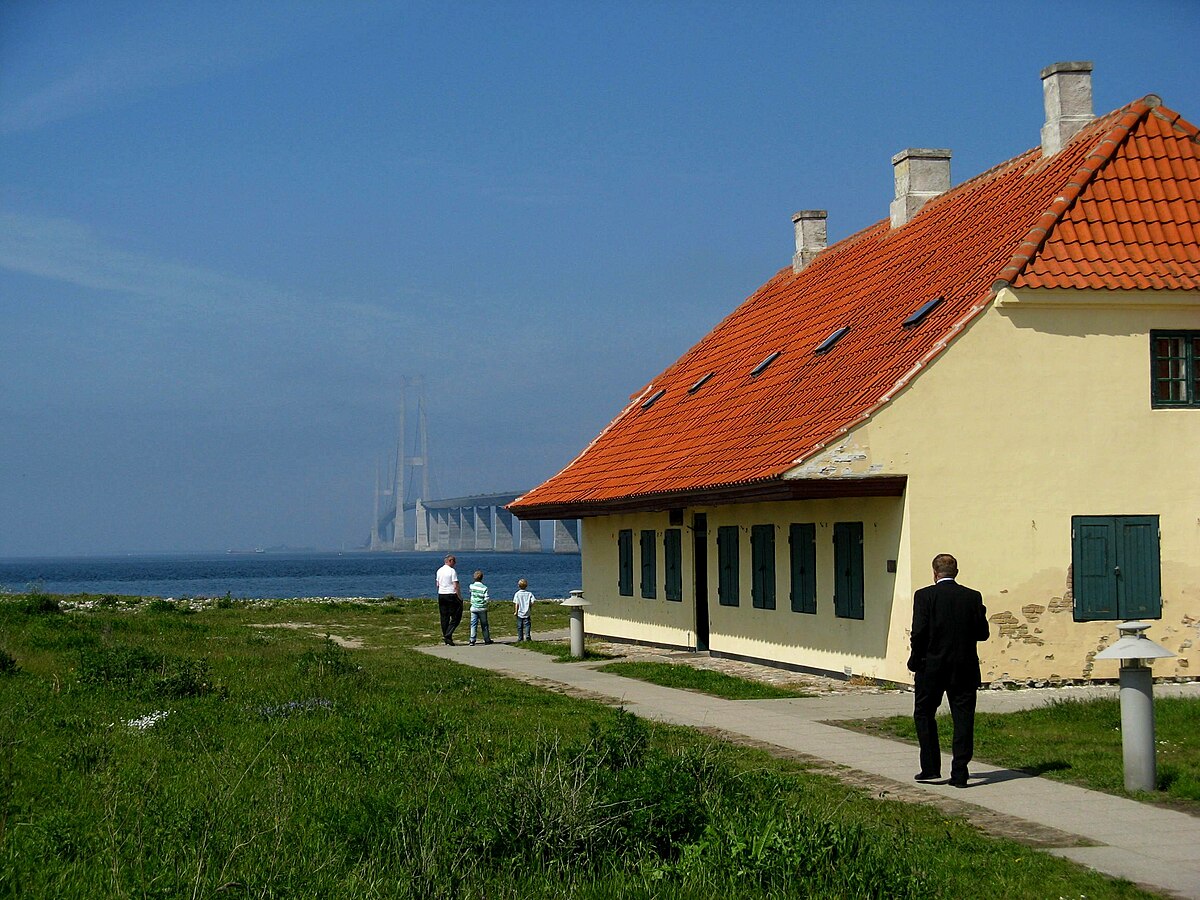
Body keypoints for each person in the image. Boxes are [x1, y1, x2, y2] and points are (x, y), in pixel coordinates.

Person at [907, 553, 990, 787]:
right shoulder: (972, 597)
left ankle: (931, 767)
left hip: (931, 667)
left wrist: (915, 659)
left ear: (934, 573)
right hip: (964, 667)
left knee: (924, 713)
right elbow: (982, 634)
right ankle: (960, 772)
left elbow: (919, 632)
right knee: (963, 718)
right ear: (956, 572)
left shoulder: (924, 596)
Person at [435, 554, 462, 645]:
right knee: (457, 616)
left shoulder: (439, 571)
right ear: (450, 561)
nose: (455, 563)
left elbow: (437, 584)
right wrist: (459, 597)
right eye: (454, 561)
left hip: (441, 594)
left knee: (444, 617)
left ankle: (447, 638)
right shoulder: (452, 571)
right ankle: (448, 634)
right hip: (451, 594)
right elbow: (455, 585)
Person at [468, 570, 493, 646]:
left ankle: (472, 639)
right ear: (482, 578)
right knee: (484, 624)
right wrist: (485, 603)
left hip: (474, 607)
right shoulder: (484, 588)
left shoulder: (471, 586)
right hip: (482, 608)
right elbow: (486, 598)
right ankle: (487, 639)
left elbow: (471, 593)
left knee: (473, 624)